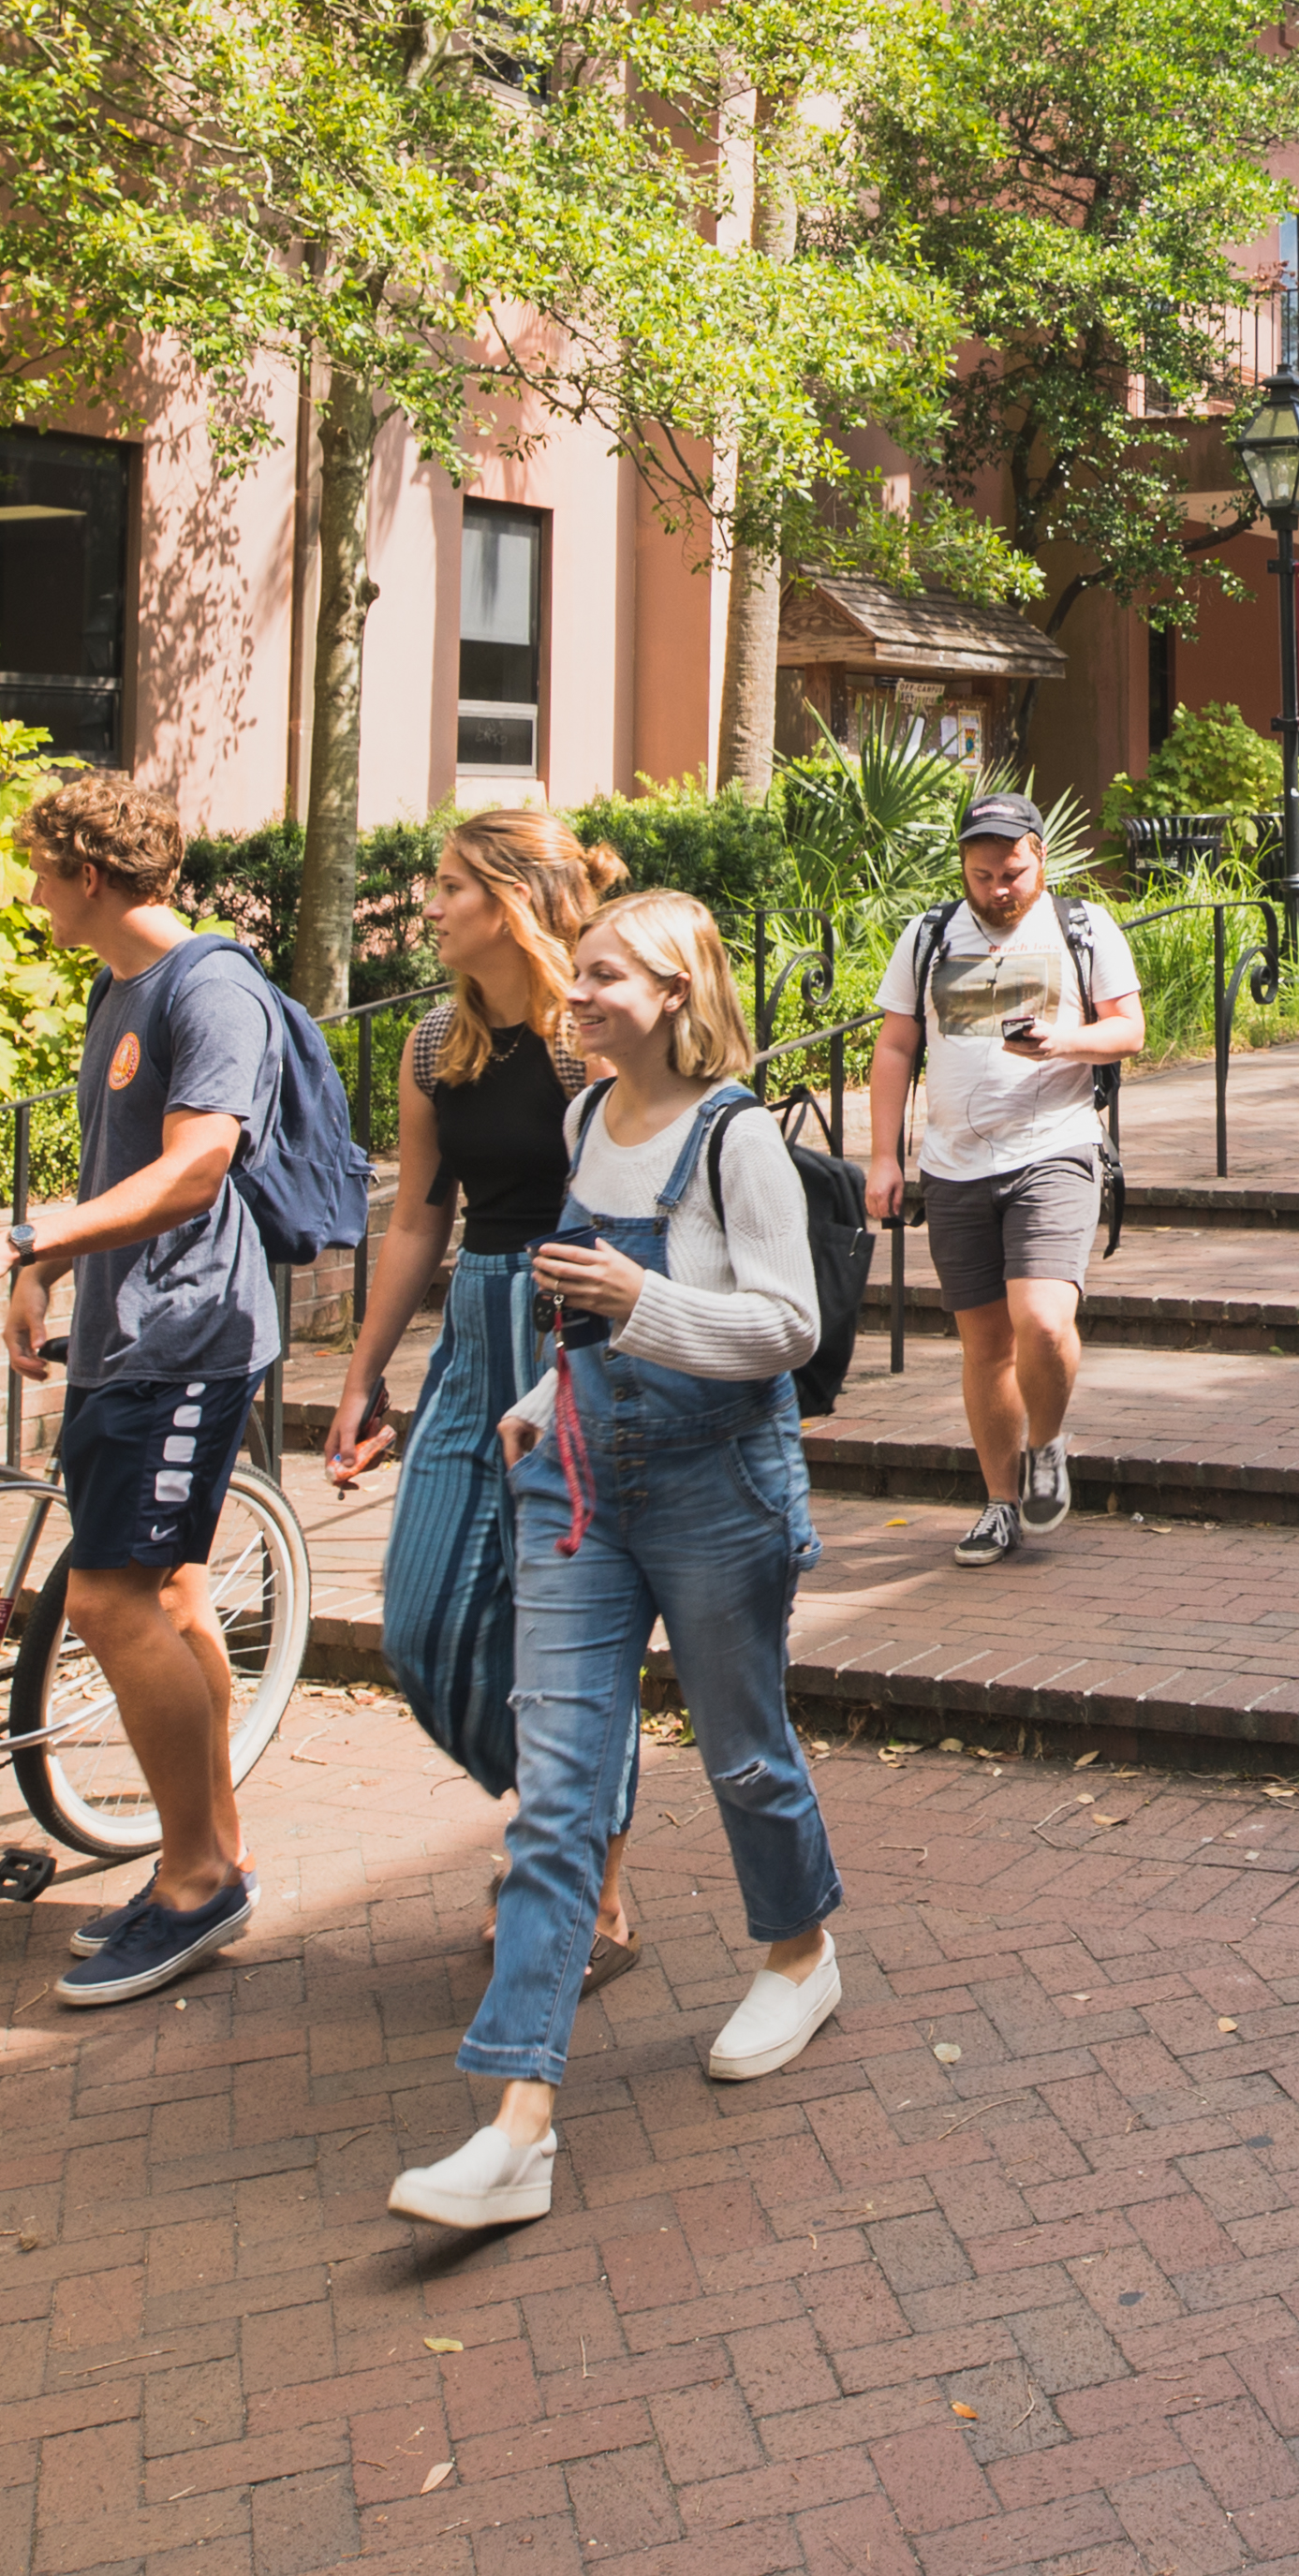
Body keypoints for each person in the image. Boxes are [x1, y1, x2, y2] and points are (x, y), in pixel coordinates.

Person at [386, 886, 849, 2229]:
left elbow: (786, 1331)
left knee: (743, 1751)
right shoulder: (586, 1120)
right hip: (581, 1491)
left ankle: (800, 1951)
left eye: (600, 978)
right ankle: (515, 2123)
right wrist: (539, 1403)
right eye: (575, 975)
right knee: (558, 1795)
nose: (572, 995)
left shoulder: (734, 1139)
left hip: (719, 1489)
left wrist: (640, 1303)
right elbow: (575, 1320)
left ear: (672, 996)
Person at [0, 770, 301, 2008]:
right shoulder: (120, 987)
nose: (30, 893)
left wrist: (22, 1248)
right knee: (172, 1596)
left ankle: (194, 1882)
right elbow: (117, 1165)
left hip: (189, 1339)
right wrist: (51, 1261)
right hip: (124, 1330)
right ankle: (215, 1851)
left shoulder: (210, 985)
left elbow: (194, 1172)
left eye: (38, 869)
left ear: (88, 875)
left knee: (107, 1600)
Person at [324, 809, 629, 1960]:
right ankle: (566, 1813)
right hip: (471, 1332)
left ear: (505, 903)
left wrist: (582, 1363)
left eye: (448, 885)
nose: (430, 904)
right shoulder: (429, 1046)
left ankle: (588, 1876)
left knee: (562, 1622)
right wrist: (366, 1376)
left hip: (574, 1330)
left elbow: (628, 1203)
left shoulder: (580, 1042)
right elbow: (414, 1217)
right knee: (423, 1622)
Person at [868, 795, 1147, 1568]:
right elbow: (896, 1047)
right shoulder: (930, 935)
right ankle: (999, 1503)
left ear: (1040, 859)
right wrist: (884, 1156)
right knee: (985, 1343)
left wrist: (1064, 1042)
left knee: (1044, 1322)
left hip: (1053, 1148)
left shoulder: (1081, 928)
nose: (997, 889)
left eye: (1012, 873)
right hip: (954, 1164)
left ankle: (1048, 1444)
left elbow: (1128, 1028)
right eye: (981, 874)